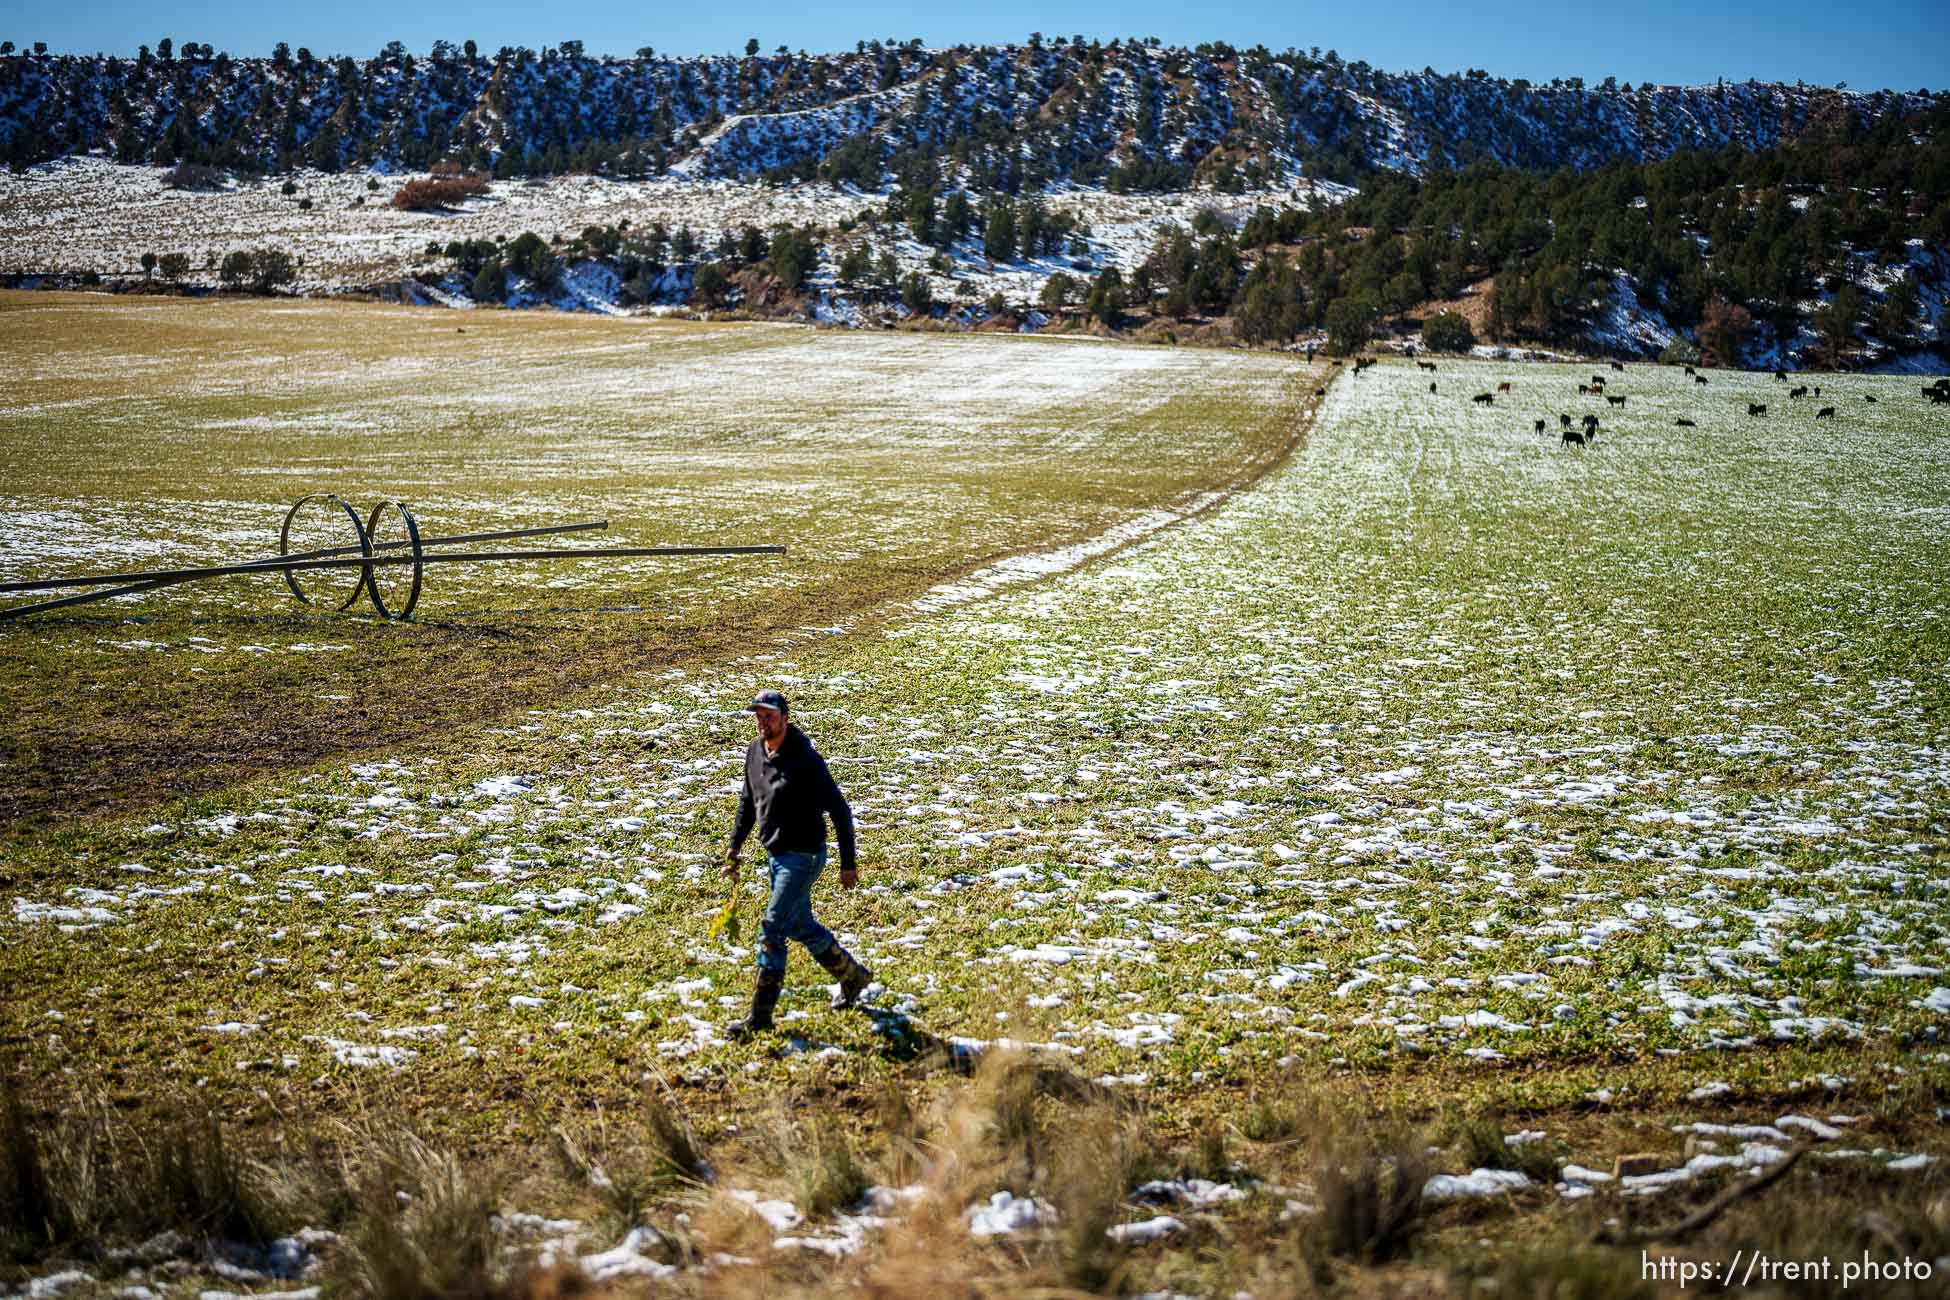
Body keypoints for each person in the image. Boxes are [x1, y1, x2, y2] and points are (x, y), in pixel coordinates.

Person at [723, 689, 872, 1038]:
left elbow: (840, 810)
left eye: (770, 716)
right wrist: (734, 847)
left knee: (772, 927)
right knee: (800, 924)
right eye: (759, 716)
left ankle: (759, 1019)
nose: (763, 722)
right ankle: (853, 977)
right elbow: (748, 802)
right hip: (776, 854)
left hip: (804, 856)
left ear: (785, 719)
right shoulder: (755, 753)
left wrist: (847, 864)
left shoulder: (805, 761)